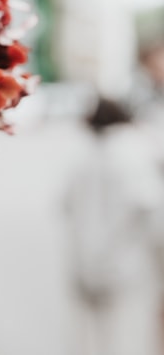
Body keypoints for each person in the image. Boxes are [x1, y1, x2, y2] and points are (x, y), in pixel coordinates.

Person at [64, 95, 164, 355]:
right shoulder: (133, 151)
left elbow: (65, 204)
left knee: (89, 337)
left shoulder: (84, 155)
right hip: (124, 263)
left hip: (84, 261)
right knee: (123, 336)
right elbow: (148, 204)